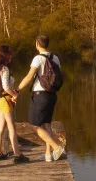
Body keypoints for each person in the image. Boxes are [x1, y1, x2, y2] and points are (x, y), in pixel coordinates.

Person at [18, 34, 66, 162]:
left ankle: (57, 148)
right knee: (46, 124)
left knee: (33, 125)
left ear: (37, 44)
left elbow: (29, 77)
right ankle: (48, 155)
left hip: (40, 95)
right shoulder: (55, 58)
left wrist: (17, 89)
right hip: (52, 95)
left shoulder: (38, 58)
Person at [0, 44, 29, 164]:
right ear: (6, 55)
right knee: (12, 127)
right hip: (5, 100)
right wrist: (14, 94)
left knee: (0, 127)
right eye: (10, 53)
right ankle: (17, 155)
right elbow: (6, 86)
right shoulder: (5, 69)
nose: (12, 55)